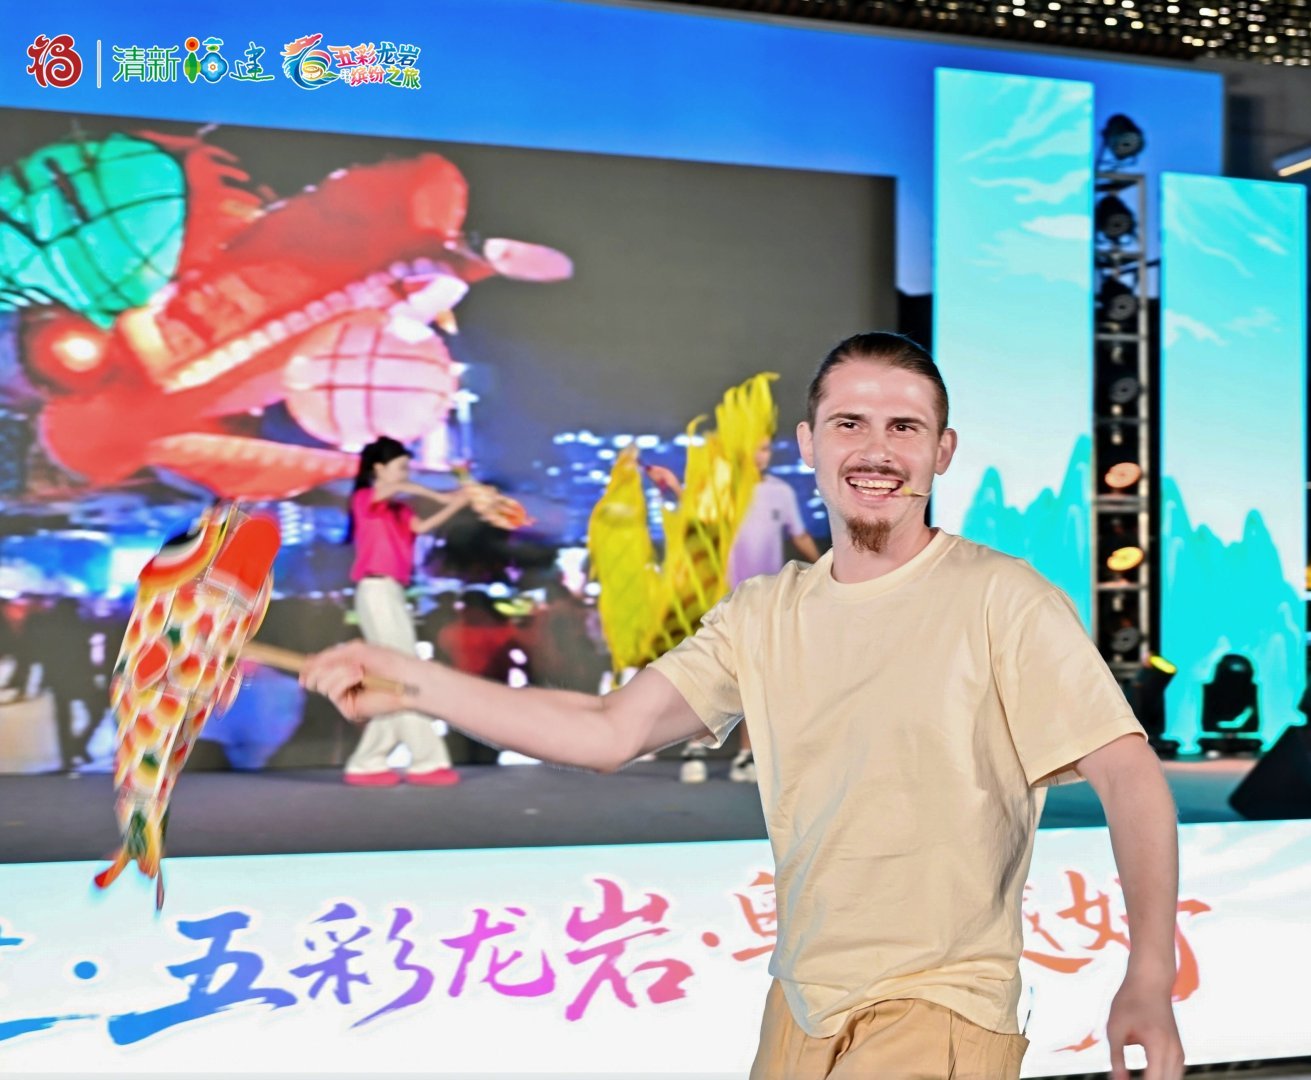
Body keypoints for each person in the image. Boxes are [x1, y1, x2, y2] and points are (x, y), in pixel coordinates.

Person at [303, 333, 1184, 1080]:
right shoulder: (764, 613)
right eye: (850, 423)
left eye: (904, 427)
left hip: (941, 1005)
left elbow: (1127, 772)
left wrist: (1148, 972)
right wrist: (411, 679)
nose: (875, 450)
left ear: (941, 450)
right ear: (810, 442)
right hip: (798, 1005)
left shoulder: (1002, 597)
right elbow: (609, 731)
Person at [647, 437, 821, 783]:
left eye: (765, 448)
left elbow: (799, 534)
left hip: (761, 600)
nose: (758, 454)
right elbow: (691, 516)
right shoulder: (718, 488)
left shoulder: (780, 491)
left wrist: (824, 569)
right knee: (704, 674)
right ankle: (694, 749)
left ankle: (746, 755)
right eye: (751, 445)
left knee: (756, 678)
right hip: (717, 595)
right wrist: (672, 486)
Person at [341, 436, 471, 787]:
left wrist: (457, 503)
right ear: (379, 469)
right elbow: (394, 489)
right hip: (376, 590)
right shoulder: (365, 498)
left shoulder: (399, 509)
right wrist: (441, 495)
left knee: (397, 678)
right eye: (400, 467)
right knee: (405, 674)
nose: (405, 474)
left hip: (392, 592)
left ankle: (369, 760)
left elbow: (422, 527)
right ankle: (427, 760)